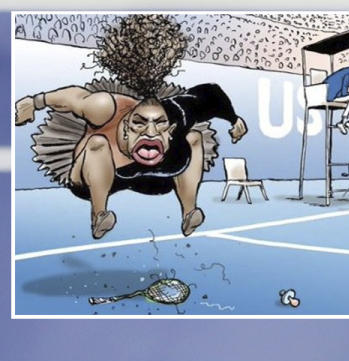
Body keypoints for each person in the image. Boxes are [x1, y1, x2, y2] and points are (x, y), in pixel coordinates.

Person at [13, 15, 246, 239]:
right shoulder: (105, 108)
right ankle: (99, 216)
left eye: (159, 124)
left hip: (152, 179)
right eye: (139, 124)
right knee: (98, 144)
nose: (150, 132)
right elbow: (74, 97)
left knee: (194, 138)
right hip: (93, 179)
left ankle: (189, 212)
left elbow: (210, 94)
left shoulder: (178, 114)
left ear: (170, 128)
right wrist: (35, 102)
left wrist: (234, 120)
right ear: (125, 127)